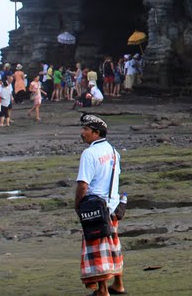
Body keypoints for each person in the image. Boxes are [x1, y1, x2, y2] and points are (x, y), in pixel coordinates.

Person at [75, 114, 125, 295]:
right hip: (112, 205)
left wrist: (77, 204)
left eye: (85, 130)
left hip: (96, 208)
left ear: (96, 133)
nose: (82, 133)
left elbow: (83, 184)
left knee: (99, 249)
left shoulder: (89, 153)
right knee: (113, 245)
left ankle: (103, 290)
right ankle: (118, 283)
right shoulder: (113, 151)